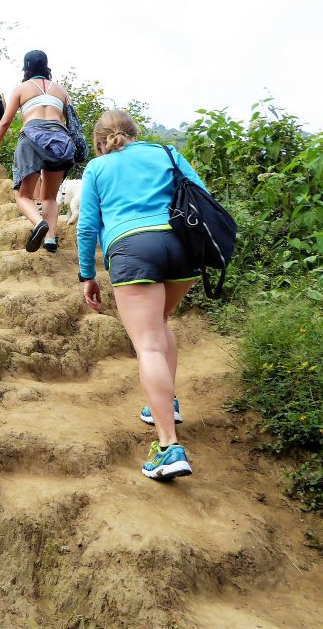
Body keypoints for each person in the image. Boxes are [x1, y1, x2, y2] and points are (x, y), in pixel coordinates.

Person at [77, 110, 205, 481]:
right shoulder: (166, 154)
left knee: (147, 344)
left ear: (101, 142)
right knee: (161, 324)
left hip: (133, 250)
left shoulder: (97, 170)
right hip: (181, 247)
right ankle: (168, 403)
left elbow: (88, 227)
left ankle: (169, 447)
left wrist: (87, 274)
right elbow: (203, 197)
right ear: (136, 133)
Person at [0, 50, 74, 253]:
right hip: (60, 140)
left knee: (23, 196)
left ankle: (38, 223)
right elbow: (72, 122)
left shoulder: (21, 88)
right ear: (46, 67)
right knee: (50, 197)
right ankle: (50, 238)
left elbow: (5, 121)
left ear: (26, 68)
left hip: (31, 137)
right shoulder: (61, 91)